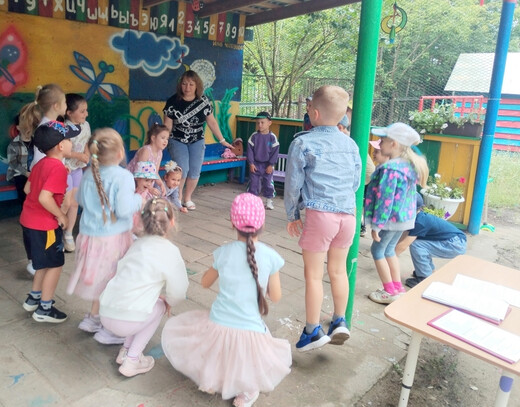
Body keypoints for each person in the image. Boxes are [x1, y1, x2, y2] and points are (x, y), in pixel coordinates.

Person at [162, 193, 291, 407]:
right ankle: (248, 391)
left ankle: (213, 378)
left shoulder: (223, 253)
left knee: (217, 345)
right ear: (263, 224)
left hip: (219, 321)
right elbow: (276, 297)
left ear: (232, 223)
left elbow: (205, 282)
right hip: (250, 327)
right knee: (252, 352)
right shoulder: (271, 257)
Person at [284, 85, 361, 352]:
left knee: (314, 276)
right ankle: (339, 321)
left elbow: (293, 184)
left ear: (314, 113)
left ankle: (312, 331)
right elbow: (355, 182)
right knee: (338, 271)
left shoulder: (302, 142)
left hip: (320, 215)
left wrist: (293, 214)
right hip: (347, 216)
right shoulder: (351, 144)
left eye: (308, 108)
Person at [66, 128, 142, 344]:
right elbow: (124, 210)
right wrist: (139, 200)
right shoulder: (123, 177)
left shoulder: (89, 173)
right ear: (120, 153)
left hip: (89, 238)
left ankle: (93, 318)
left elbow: (80, 199)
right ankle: (109, 329)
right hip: (113, 240)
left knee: (102, 280)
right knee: (114, 282)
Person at [99, 198, 189, 377]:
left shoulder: (137, 244)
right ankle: (132, 360)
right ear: (172, 222)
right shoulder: (170, 251)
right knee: (160, 306)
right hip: (126, 320)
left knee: (147, 305)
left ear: (143, 220)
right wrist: (169, 301)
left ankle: (125, 351)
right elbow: (179, 292)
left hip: (106, 311)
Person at [21, 121, 81, 323]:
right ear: (61, 146)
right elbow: (44, 197)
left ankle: (34, 298)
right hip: (45, 226)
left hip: (28, 222)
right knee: (55, 264)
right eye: (69, 139)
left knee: (43, 263)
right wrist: (61, 216)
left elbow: (28, 190)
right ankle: (44, 309)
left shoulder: (41, 163)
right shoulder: (57, 168)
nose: (72, 143)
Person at [364, 123, 429, 305]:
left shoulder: (390, 169)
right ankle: (397, 288)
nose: (379, 144)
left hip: (390, 220)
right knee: (389, 250)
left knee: (377, 251)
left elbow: (385, 200)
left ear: (393, 144)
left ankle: (389, 291)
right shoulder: (408, 167)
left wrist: (377, 225)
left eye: (382, 141)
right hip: (404, 219)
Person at [163, 70, 232, 211]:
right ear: (180, 85)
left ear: (197, 86)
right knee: (182, 169)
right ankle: (177, 198)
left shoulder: (204, 101)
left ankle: (187, 198)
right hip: (177, 139)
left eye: (191, 84)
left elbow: (212, 122)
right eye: (184, 84)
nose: (187, 87)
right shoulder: (172, 102)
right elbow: (167, 125)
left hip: (197, 140)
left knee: (195, 171)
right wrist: (162, 140)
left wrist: (222, 140)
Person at [396, 194, 467, 288]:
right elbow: (405, 236)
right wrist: (392, 248)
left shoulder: (420, 223)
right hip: (455, 240)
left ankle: (424, 277)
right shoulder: (418, 217)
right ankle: (427, 271)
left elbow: (404, 245)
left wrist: (390, 256)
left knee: (417, 245)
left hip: (455, 244)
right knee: (422, 245)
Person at [61, 93, 91, 252]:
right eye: (82, 111)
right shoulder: (64, 128)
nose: (86, 114)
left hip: (77, 169)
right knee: (65, 203)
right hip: (65, 169)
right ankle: (56, 231)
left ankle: (68, 233)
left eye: (86, 110)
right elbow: (62, 152)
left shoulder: (85, 125)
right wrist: (79, 156)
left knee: (74, 203)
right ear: (69, 113)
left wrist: (87, 154)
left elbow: (87, 142)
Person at [338, 114, 375, 237]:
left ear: (340, 127)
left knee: (354, 200)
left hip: (365, 175)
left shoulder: (346, 138)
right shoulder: (350, 137)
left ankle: (359, 226)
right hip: (366, 174)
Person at [28, 84, 68, 170]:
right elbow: (39, 157)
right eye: (65, 102)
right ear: (56, 106)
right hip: (47, 173)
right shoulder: (46, 128)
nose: (66, 105)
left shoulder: (53, 125)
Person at [246, 111, 279, 210]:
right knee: (254, 183)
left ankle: (269, 201)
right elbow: (250, 151)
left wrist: (271, 165)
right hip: (255, 164)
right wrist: (251, 163)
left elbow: (275, 153)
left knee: (268, 183)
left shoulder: (272, 138)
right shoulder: (254, 136)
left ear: (269, 123)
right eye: (258, 123)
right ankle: (253, 202)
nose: (260, 125)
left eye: (262, 122)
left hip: (267, 165)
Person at [126, 123, 169, 196]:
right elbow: (140, 173)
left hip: (146, 184)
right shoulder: (146, 151)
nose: (165, 141)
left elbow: (155, 172)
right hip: (134, 181)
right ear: (153, 138)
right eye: (163, 138)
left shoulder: (160, 153)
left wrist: (161, 184)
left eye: (167, 139)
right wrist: (150, 188)